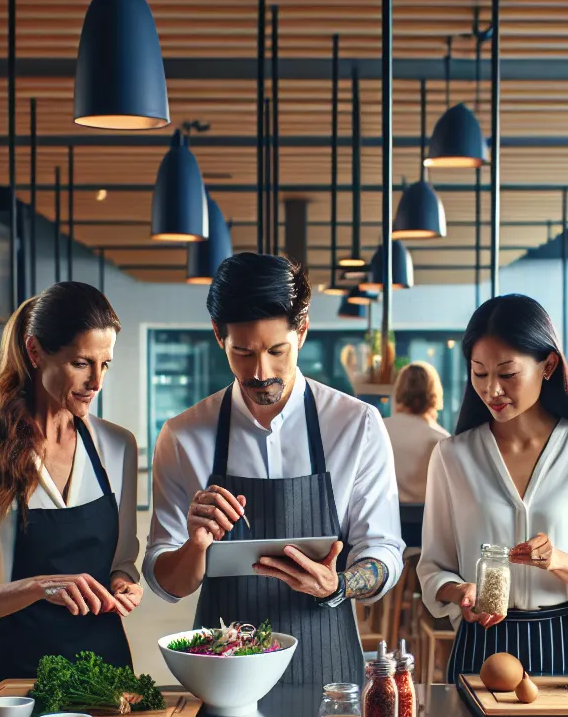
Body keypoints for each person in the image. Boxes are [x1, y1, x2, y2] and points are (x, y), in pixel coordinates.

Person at [146, 253, 405, 685]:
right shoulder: (183, 435)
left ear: (301, 331)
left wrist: (337, 584)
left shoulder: (356, 425)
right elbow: (166, 583)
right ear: (218, 336)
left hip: (329, 674)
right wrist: (195, 545)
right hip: (221, 675)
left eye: (276, 351)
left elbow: (384, 554)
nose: (260, 372)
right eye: (242, 352)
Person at [0, 281, 144, 697]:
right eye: (82, 363)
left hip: (107, 677)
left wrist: (123, 582)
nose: (96, 381)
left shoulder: (119, 447)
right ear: (35, 352)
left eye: (106, 364)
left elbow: (122, 559)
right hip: (16, 680)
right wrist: (36, 587)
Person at [419, 294, 568, 681]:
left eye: (507, 373)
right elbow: (433, 568)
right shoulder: (451, 456)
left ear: (548, 365)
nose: (492, 390)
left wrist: (559, 561)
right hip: (480, 647)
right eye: (479, 373)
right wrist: (459, 592)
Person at [384, 360, 449, 547]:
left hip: (385, 526)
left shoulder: (379, 428)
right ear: (434, 394)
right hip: (426, 532)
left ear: (398, 392)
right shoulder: (442, 439)